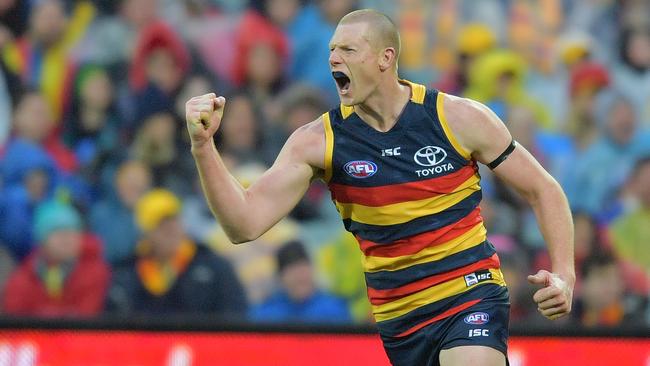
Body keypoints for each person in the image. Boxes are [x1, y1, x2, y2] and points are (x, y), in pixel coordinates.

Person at [185, 9, 574, 366]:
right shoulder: (319, 142)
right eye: (332, 50)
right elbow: (244, 224)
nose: (334, 59)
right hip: (400, 320)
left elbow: (543, 188)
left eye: (349, 49)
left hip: (471, 292)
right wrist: (203, 147)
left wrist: (565, 275)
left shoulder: (457, 117)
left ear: (385, 58)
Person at [105, 188, 248, 317]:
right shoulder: (127, 272)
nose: (171, 229)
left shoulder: (212, 265)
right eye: (161, 224)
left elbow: (235, 314)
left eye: (174, 220)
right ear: (145, 234)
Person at [2, 200, 110, 317]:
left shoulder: (95, 270)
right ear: (42, 240)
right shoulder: (25, 276)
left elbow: (86, 315)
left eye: (72, 231)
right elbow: (15, 317)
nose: (66, 238)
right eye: (58, 232)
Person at [251, 240, 351, 324]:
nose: (300, 276)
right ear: (280, 277)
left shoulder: (334, 309)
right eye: (292, 270)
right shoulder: (266, 313)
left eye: (303, 268)